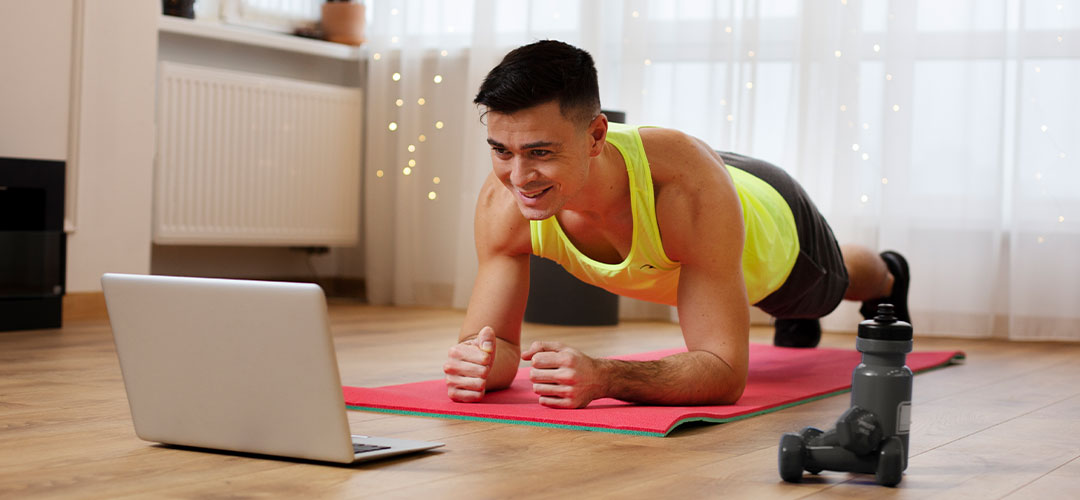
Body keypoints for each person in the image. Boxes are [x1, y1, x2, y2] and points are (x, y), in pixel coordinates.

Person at [442, 40, 910, 409]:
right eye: (502, 150)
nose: (518, 178)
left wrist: (606, 376)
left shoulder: (685, 193)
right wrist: (478, 362)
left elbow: (724, 373)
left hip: (764, 211)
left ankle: (889, 274)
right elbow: (497, 343)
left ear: (595, 136)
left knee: (824, 292)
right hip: (695, 184)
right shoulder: (504, 201)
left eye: (541, 152)